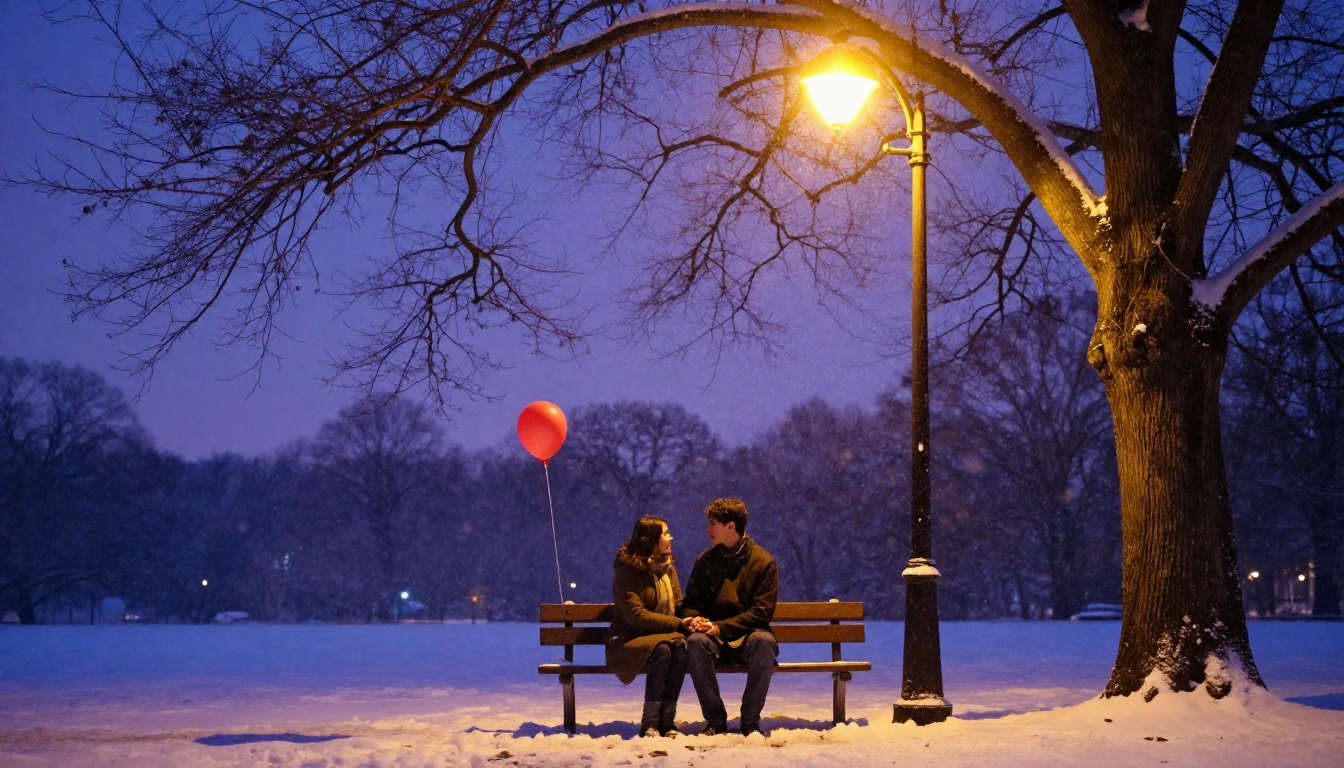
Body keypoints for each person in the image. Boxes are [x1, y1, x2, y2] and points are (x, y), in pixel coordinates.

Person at [679, 498, 779, 737]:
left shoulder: (763, 562)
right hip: (713, 639)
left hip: (748, 637)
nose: (708, 529)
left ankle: (750, 721)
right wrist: (694, 620)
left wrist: (721, 627)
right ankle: (715, 720)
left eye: (713, 523)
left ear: (731, 526)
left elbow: (761, 612)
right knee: (695, 643)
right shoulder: (705, 561)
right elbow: (690, 602)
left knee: (764, 642)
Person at [608, 516, 699, 737]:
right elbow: (636, 616)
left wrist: (694, 618)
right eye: (665, 533)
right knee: (663, 650)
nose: (671, 537)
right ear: (651, 539)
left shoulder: (668, 568)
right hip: (629, 640)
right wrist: (678, 623)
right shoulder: (628, 571)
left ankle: (666, 721)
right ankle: (649, 722)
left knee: (678, 649)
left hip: (663, 637)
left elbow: (678, 604)